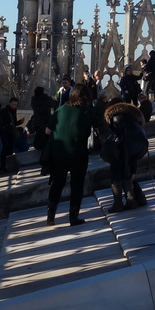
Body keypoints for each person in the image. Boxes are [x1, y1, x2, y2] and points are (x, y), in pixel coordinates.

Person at [45, 84, 93, 226]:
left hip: (59, 154)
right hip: (79, 154)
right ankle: (73, 217)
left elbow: (47, 131)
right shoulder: (88, 112)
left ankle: (50, 216)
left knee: (57, 184)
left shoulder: (61, 109)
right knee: (77, 185)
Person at [102, 98, 150, 212]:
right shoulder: (132, 117)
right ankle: (136, 198)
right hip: (140, 145)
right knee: (128, 171)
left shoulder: (117, 116)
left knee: (117, 171)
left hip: (126, 146)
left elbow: (120, 138)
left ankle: (120, 202)